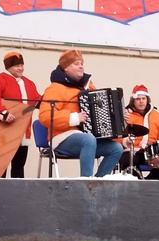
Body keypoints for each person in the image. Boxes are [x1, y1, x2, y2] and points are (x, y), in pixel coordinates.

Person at [38, 49, 123, 177]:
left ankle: (97, 183)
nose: (81, 66)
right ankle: (85, 182)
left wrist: (121, 119)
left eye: (82, 63)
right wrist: (74, 118)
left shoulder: (89, 88)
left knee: (116, 148)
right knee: (88, 139)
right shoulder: (55, 88)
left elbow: (101, 115)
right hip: (62, 137)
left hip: (87, 138)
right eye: (76, 63)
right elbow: (45, 116)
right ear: (66, 68)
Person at [0, 51, 41, 178]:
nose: (20, 68)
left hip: (23, 131)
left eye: (22, 65)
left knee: (19, 166)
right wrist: (2, 113)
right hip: (5, 132)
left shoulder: (29, 83)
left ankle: (18, 194)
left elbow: (38, 101)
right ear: (8, 67)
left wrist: (52, 95)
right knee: (1, 168)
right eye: (17, 66)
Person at [117, 84, 159, 180]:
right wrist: (125, 141)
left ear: (147, 99)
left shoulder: (157, 116)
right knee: (127, 160)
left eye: (143, 98)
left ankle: (147, 184)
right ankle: (137, 185)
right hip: (132, 152)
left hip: (150, 152)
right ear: (133, 101)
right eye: (138, 99)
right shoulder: (126, 115)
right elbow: (116, 137)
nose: (141, 102)